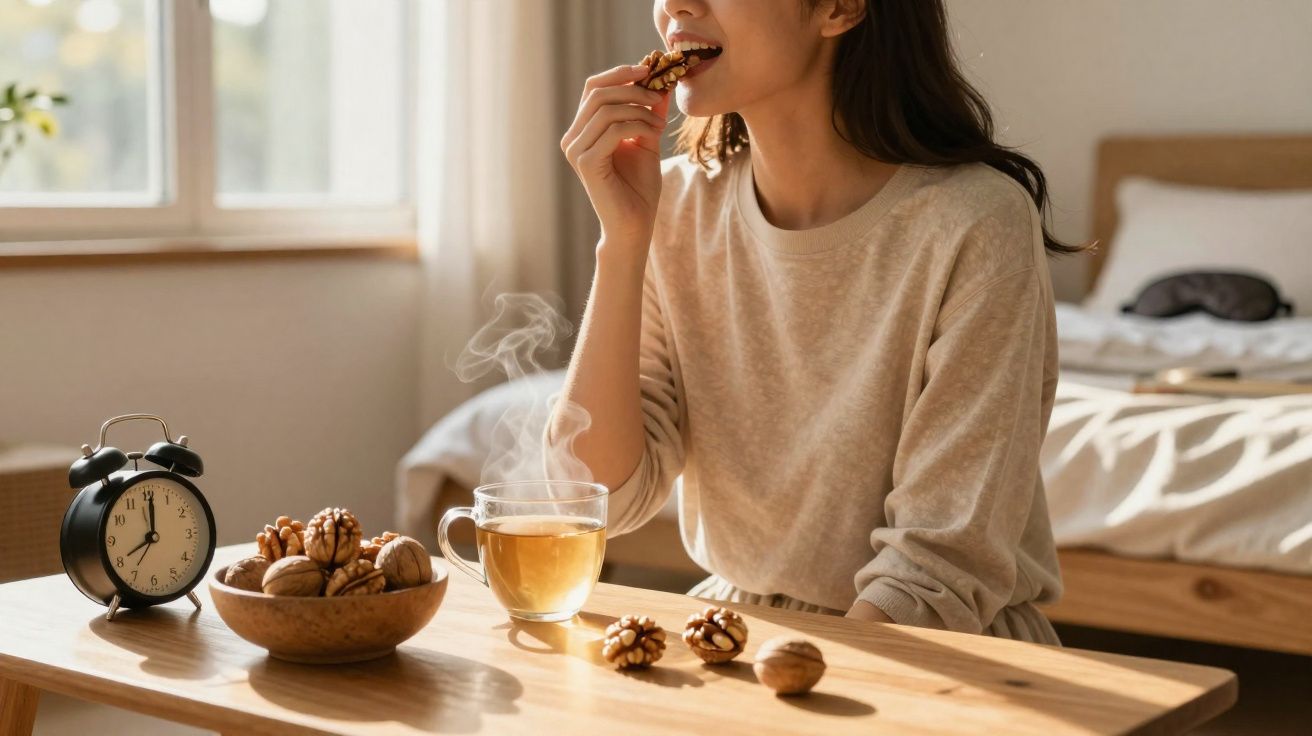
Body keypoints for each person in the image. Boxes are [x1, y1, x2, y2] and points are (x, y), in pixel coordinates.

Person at [554, 0, 1089, 644]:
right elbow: (598, 498)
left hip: (929, 648)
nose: (675, 5)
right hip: (736, 634)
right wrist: (621, 241)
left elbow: (935, 569)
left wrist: (794, 679)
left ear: (840, 7)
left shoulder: (975, 221)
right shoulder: (672, 206)